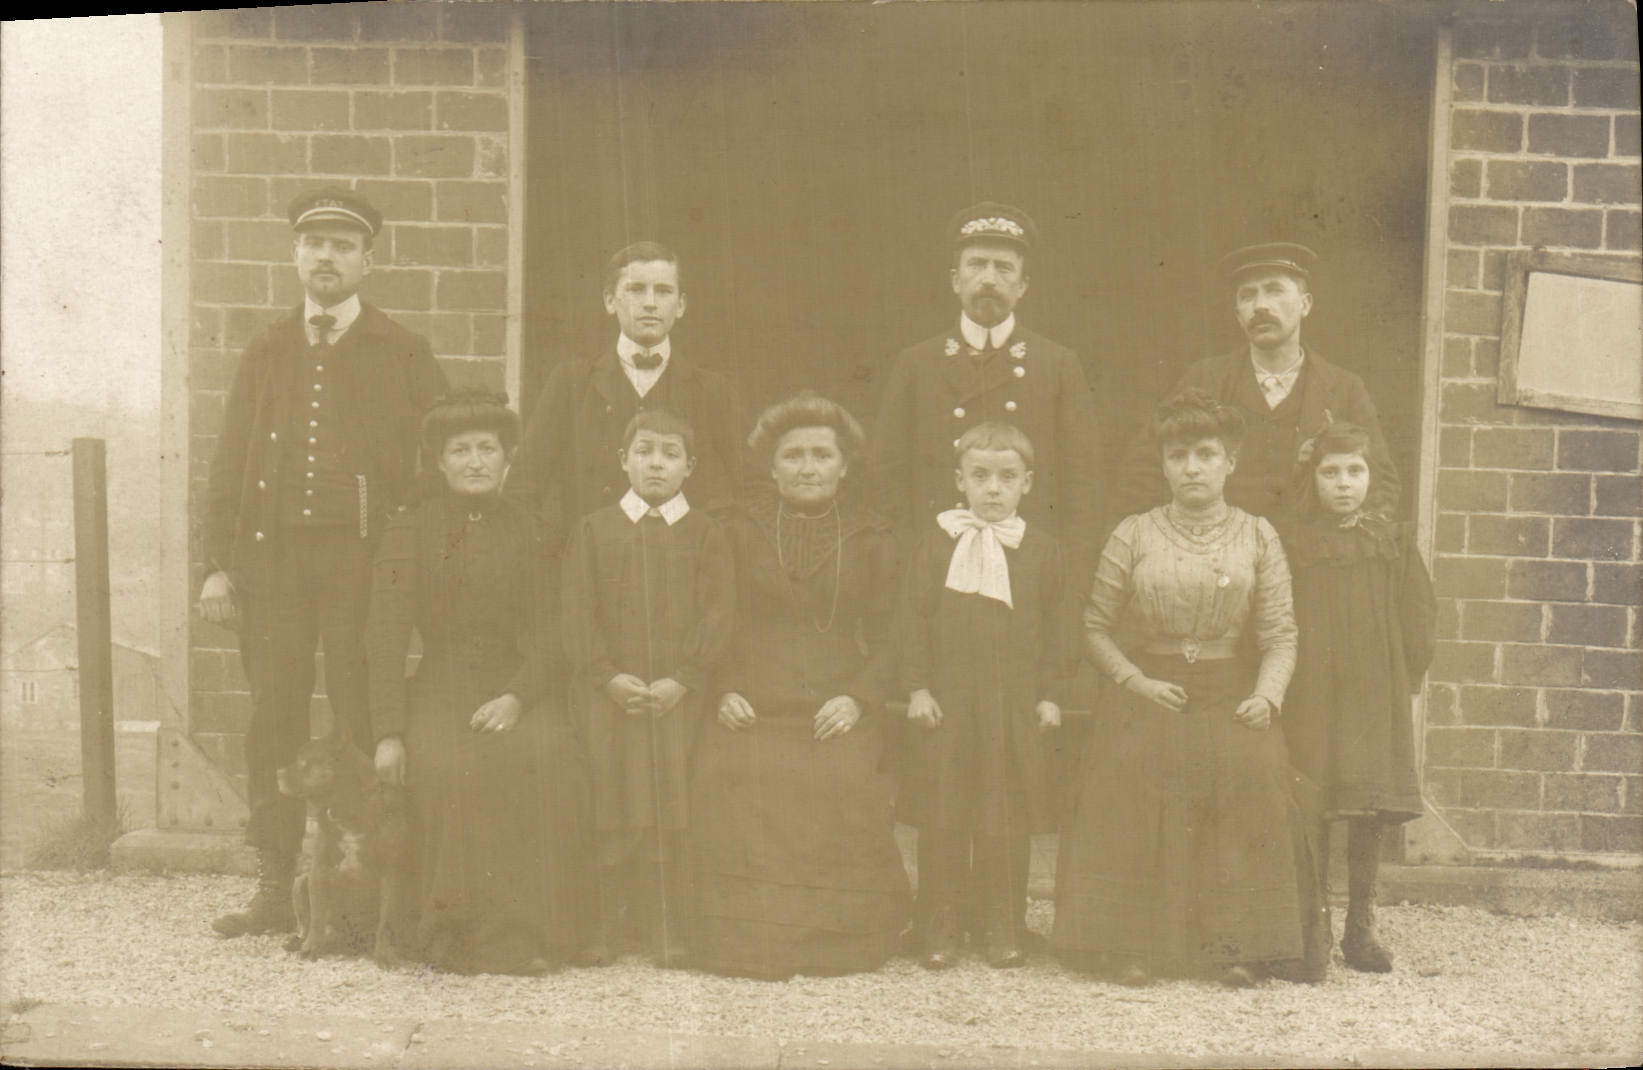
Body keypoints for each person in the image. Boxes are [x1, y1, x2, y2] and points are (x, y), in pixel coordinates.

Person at [202, 185, 449, 937]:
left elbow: (435, 463)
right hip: (272, 568)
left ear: (368, 261)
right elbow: (226, 466)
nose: (327, 257)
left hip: (361, 568)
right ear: (296, 257)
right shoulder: (267, 349)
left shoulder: (403, 351)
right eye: (315, 244)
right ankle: (278, 883)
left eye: (343, 245)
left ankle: (366, 883)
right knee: (273, 717)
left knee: (358, 712)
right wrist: (216, 566)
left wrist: (410, 557)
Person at [1053, 389, 1309, 987]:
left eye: (1205, 454)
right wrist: (1134, 680)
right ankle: (1129, 947)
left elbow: (1281, 633)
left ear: (1230, 463)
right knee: (1126, 773)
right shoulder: (1134, 532)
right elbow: (1092, 626)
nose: (1192, 468)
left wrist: (1266, 697)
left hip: (1230, 692)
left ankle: (1241, 947)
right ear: (1163, 463)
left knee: (1253, 772)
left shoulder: (1258, 535)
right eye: (1178, 455)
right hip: (1150, 690)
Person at [366, 390, 589, 974]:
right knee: (447, 769)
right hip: (440, 685)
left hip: (518, 684)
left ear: (507, 458)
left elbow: (554, 632)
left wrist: (518, 697)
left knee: (551, 758)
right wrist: (388, 731)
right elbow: (384, 636)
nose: (474, 461)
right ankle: (455, 938)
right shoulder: (408, 530)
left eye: (487, 448)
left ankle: (536, 936)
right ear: (438, 462)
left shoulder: (536, 530)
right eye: (459, 450)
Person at [691, 392, 911, 979]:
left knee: (841, 777)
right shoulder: (733, 528)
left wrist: (859, 699)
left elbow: (892, 636)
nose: (808, 467)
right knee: (728, 771)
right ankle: (743, 935)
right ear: (771, 466)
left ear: (844, 466)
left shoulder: (872, 535)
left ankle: (832, 936)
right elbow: (715, 618)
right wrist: (724, 688)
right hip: (753, 699)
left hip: (835, 701)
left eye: (821, 455)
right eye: (793, 456)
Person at [562, 409, 736, 968]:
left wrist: (683, 680)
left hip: (676, 697)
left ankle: (662, 919)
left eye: (669, 453)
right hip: (607, 693)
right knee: (608, 789)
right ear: (623, 460)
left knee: (668, 793)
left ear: (690, 466)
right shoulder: (594, 528)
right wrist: (606, 676)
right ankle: (606, 918)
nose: (655, 463)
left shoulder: (707, 533)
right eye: (644, 451)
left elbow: (718, 612)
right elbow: (576, 611)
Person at [899, 422, 1071, 970]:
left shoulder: (1042, 550)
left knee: (1006, 814)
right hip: (949, 703)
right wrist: (919, 686)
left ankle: (1002, 921)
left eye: (1006, 477)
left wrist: (1051, 694)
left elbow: (1060, 629)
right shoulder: (937, 541)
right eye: (980, 476)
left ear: (1028, 483)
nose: (992, 489)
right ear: (960, 481)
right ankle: (940, 922)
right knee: (944, 811)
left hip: (1013, 707)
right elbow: (911, 619)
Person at [870, 202, 1103, 582]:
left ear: (1023, 285)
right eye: (977, 265)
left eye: (1004, 268)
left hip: (1028, 564)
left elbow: (1083, 483)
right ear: (955, 279)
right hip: (936, 562)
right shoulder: (916, 363)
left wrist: (1069, 573)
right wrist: (906, 562)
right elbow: (886, 477)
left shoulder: (1058, 364)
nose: (989, 278)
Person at [1282, 421, 1436, 974]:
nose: (1344, 483)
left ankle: (1360, 927)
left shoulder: (1392, 540)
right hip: (1313, 695)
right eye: (1330, 472)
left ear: (1372, 476)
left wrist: (1407, 676)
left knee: (1367, 810)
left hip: (1373, 694)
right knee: (1314, 806)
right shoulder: (1296, 543)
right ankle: (1314, 926)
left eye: (1355, 470)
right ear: (1312, 478)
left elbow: (1418, 614)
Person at [1111, 243, 1399, 533]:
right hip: (1220, 558)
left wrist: (1346, 547)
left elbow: (1381, 483)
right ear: (1238, 315)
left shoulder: (1344, 388)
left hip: (1312, 562)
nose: (1260, 305)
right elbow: (1144, 467)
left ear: (1305, 304)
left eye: (1274, 290)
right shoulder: (1204, 379)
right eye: (1247, 295)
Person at [507, 241, 744, 537]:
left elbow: (750, 490)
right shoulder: (572, 382)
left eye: (663, 291)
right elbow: (522, 490)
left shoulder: (711, 390)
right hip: (592, 568)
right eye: (635, 290)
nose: (650, 303)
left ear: (680, 305)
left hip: (684, 568)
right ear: (609, 300)